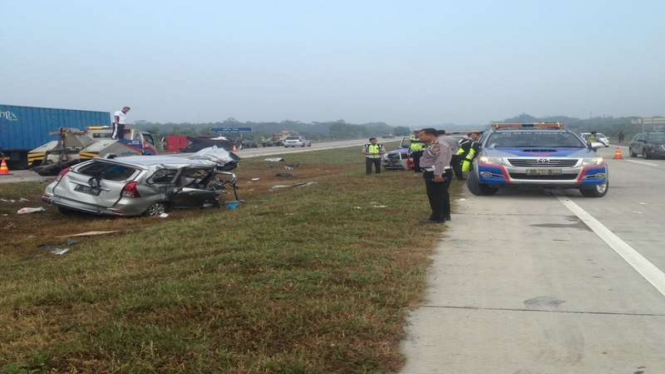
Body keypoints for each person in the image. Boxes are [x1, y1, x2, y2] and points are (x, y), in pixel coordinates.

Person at [418, 128, 453, 223]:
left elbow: (440, 160)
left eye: (422, 135)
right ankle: (445, 215)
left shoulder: (438, 145)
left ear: (430, 135)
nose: (419, 137)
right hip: (434, 171)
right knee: (442, 195)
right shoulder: (433, 145)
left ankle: (438, 217)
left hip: (438, 172)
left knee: (436, 196)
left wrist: (438, 174)